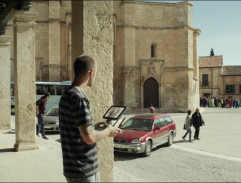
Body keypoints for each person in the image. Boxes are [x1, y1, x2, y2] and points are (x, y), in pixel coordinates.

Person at [59, 55, 122, 183]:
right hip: (83, 169)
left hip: (72, 167)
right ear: (91, 72)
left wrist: (94, 127)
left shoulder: (67, 94)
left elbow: (77, 130)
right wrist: (108, 131)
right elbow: (89, 138)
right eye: (95, 73)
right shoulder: (79, 98)